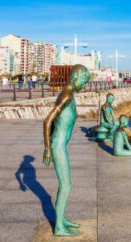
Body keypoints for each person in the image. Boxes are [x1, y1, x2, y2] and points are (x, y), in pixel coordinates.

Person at [43, 65, 91, 236]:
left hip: (60, 145)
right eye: (84, 81)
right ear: (76, 77)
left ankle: (62, 219)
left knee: (65, 184)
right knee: (66, 185)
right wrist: (48, 149)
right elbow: (48, 121)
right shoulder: (66, 96)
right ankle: (59, 228)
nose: (84, 85)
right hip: (58, 146)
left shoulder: (68, 94)